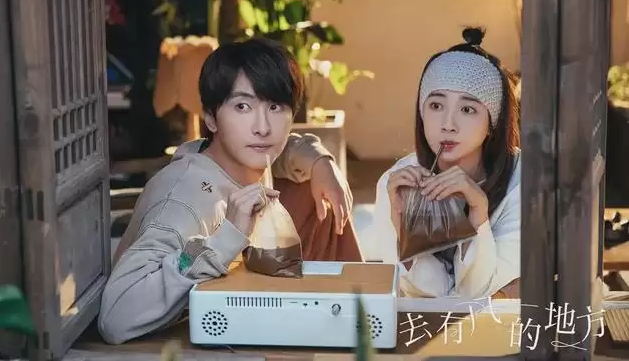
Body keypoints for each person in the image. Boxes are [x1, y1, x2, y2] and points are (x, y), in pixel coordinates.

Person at [98, 38, 362, 344]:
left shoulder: (244, 155)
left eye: (275, 107)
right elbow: (115, 317)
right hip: (175, 342)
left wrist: (320, 162)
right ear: (210, 118)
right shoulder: (185, 201)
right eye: (242, 107)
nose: (262, 127)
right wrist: (225, 238)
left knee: (309, 193)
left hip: (237, 313)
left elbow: (287, 148)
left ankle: (351, 316)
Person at [373, 27, 521, 299]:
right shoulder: (397, 183)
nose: (448, 125)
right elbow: (427, 295)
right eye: (436, 106)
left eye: (467, 109)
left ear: (493, 121)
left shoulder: (522, 182)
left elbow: (477, 294)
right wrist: (403, 224)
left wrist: (478, 213)